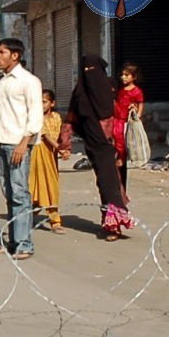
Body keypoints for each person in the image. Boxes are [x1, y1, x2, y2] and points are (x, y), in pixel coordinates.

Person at [61, 54, 133, 242]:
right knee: (106, 184)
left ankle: (114, 225)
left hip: (115, 146)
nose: (89, 74)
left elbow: (125, 110)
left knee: (114, 184)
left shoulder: (112, 88)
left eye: (92, 70)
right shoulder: (79, 93)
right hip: (95, 147)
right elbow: (70, 120)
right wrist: (65, 144)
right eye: (86, 71)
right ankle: (110, 222)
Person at [0, 38, 42, 260]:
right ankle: (12, 241)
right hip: (2, 142)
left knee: (20, 193)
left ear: (15, 55)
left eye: (2, 52)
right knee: (9, 193)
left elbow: (35, 114)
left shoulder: (29, 81)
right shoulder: (2, 83)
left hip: (18, 144)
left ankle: (24, 244)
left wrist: (24, 142)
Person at [29, 89, 68, 235]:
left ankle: (53, 220)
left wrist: (65, 149)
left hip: (51, 156)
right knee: (37, 186)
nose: (41, 105)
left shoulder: (57, 117)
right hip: (38, 153)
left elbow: (60, 135)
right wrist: (60, 148)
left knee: (51, 185)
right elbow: (45, 136)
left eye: (44, 102)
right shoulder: (36, 117)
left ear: (52, 103)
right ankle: (36, 217)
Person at [112, 63, 144, 190]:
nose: (123, 77)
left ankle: (121, 158)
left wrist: (138, 115)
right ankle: (119, 157)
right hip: (117, 118)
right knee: (116, 137)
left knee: (122, 140)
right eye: (122, 75)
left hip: (127, 120)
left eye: (126, 75)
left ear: (134, 77)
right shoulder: (120, 90)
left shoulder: (136, 91)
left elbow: (140, 104)